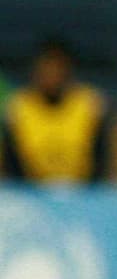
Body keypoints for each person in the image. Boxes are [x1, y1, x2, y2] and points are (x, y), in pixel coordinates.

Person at [1, 38, 110, 183]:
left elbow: (100, 157)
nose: (52, 74)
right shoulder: (18, 107)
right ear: (35, 71)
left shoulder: (90, 104)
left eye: (58, 67)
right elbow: (12, 162)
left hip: (82, 191)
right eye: (46, 68)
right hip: (31, 191)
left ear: (68, 70)